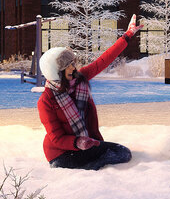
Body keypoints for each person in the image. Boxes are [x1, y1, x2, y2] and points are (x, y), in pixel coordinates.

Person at [37, 14, 144, 170]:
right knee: (104, 161)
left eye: (72, 63)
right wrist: (78, 142)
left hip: (88, 143)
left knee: (123, 153)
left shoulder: (80, 78)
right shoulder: (46, 101)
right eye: (68, 66)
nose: (73, 68)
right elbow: (57, 138)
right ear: (56, 72)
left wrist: (127, 36)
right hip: (61, 154)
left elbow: (103, 60)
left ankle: (92, 163)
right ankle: (91, 166)